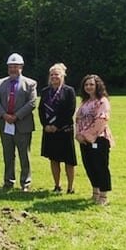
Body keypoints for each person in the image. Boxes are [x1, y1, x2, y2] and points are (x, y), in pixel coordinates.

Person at [0, 53, 37, 191]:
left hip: (22, 125)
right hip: (5, 124)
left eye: (15, 66)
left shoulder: (30, 83)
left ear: (21, 67)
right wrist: (4, 115)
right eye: (10, 66)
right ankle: (8, 181)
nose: (12, 69)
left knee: (24, 155)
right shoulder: (1, 83)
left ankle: (25, 183)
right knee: (8, 154)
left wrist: (16, 116)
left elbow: (32, 103)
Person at [75, 74, 115, 206]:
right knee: (89, 166)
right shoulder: (84, 102)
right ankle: (95, 192)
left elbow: (101, 121)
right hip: (83, 140)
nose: (89, 87)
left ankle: (103, 196)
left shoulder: (102, 101)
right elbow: (78, 120)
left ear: (97, 85)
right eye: (86, 85)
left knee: (100, 166)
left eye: (91, 84)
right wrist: (78, 135)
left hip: (99, 139)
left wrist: (87, 136)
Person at [39, 63, 77, 194]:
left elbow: (70, 110)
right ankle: (57, 185)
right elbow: (40, 110)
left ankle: (70, 187)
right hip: (49, 131)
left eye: (57, 74)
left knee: (69, 160)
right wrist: (46, 125)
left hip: (64, 131)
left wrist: (57, 126)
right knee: (53, 159)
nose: (54, 77)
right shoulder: (45, 92)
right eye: (52, 74)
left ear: (63, 76)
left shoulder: (69, 91)